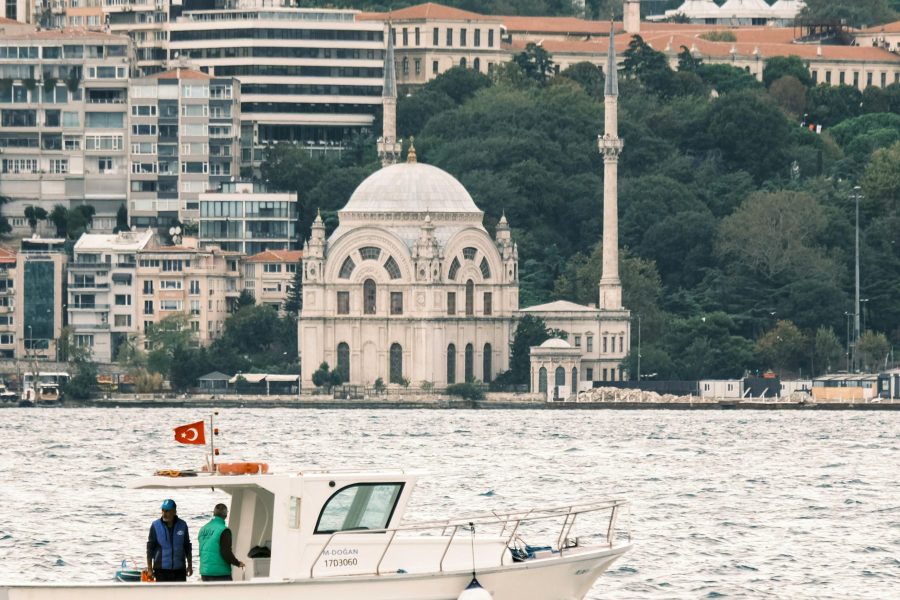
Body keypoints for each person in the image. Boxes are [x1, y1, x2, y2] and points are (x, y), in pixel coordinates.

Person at [146, 499, 193, 581]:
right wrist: (149, 568)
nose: (164, 514)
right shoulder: (155, 525)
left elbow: (187, 546)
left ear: (174, 511)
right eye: (163, 511)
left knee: (180, 594)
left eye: (167, 511)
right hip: (161, 570)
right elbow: (150, 548)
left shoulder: (182, 525)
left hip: (180, 570)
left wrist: (190, 565)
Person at [198, 503, 245, 582]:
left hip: (205, 572)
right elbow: (226, 552)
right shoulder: (224, 530)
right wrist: (237, 563)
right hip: (220, 573)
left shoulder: (203, 529)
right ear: (226, 515)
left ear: (214, 513)